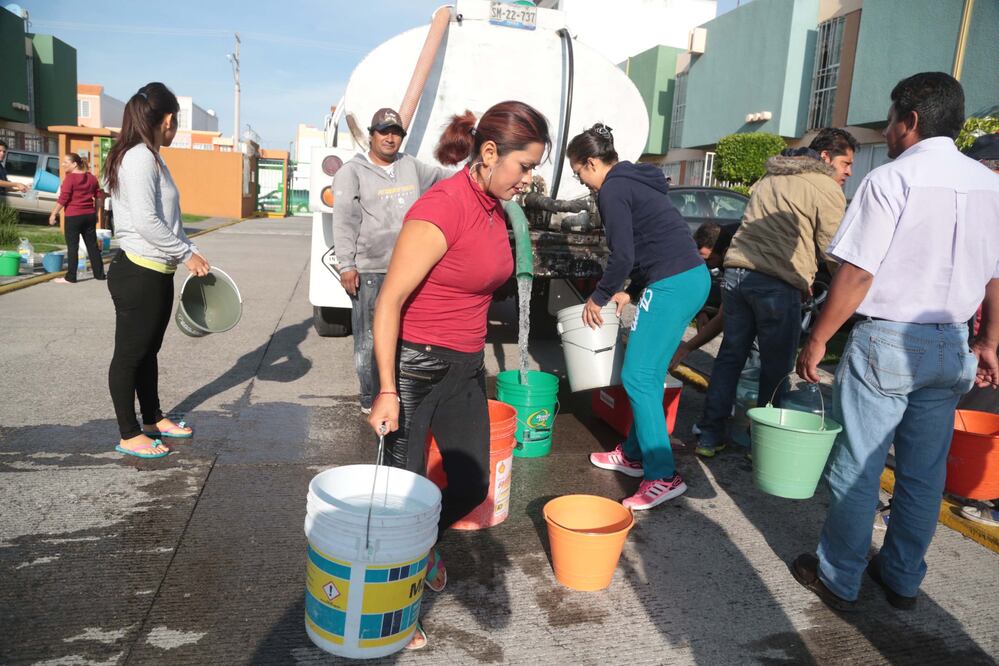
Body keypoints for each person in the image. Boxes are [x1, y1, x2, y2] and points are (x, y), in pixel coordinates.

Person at [793, 72, 999, 612]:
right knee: (924, 472)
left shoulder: (890, 180)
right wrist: (991, 341)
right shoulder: (990, 185)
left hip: (888, 340)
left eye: (889, 120)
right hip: (954, 341)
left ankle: (840, 577)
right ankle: (903, 577)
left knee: (859, 465)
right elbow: (996, 276)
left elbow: (858, 273)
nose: (885, 132)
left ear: (909, 122)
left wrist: (817, 339)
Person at [368, 101, 550, 649]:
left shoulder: (494, 206)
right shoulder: (442, 207)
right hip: (416, 368)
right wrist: (385, 389)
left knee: (470, 483)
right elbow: (388, 301)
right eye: (524, 167)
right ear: (490, 153)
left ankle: (422, 547)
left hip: (466, 367)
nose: (528, 180)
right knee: (400, 499)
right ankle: (391, 614)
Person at [693, 127, 857, 458]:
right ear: (825, 158)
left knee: (729, 358)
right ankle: (761, 447)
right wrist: (852, 290)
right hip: (776, 283)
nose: (848, 171)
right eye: (845, 162)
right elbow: (834, 252)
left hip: (737, 274)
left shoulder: (771, 176)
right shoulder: (824, 186)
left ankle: (709, 437)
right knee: (775, 368)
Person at [576, 123, 710, 510]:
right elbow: (649, 243)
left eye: (579, 172)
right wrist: (628, 289)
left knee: (638, 375)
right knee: (646, 374)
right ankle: (635, 455)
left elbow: (623, 255)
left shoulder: (613, 189)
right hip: (687, 279)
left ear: (591, 163)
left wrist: (598, 297)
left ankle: (663, 475)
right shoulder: (635, 179)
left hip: (672, 284)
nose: (582, 181)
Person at [103, 83, 210, 459]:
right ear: (167, 120)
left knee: (148, 352)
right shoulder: (139, 158)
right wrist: (185, 254)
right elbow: (147, 223)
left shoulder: (151, 156)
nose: (175, 126)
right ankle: (129, 433)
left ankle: (152, 419)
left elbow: (169, 219)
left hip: (156, 270)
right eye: (176, 119)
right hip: (138, 272)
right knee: (130, 355)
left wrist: (192, 251)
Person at [332, 108, 449, 415]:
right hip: (372, 270)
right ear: (371, 135)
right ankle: (371, 399)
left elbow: (442, 179)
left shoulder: (410, 166)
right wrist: (347, 265)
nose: (390, 137)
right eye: (384, 131)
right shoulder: (352, 171)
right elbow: (344, 220)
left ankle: (399, 392)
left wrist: (479, 174)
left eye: (396, 132)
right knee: (371, 339)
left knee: (407, 335)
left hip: (410, 266)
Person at [48, 153, 106, 284]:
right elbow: (99, 197)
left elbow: (63, 199)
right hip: (89, 216)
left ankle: (71, 277)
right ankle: (100, 274)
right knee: (92, 246)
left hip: (73, 216)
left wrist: (53, 214)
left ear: (74, 164)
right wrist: (95, 213)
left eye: (65, 162)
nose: (63, 164)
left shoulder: (70, 179)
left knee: (72, 247)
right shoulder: (91, 178)